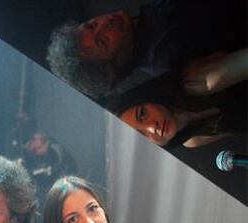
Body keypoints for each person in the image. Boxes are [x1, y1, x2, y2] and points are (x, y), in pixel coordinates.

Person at [47, 0, 247, 99]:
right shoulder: (169, 46)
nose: (105, 22)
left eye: (91, 25)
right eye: (103, 42)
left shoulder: (150, 31)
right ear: (116, 65)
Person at [107, 75, 248, 148]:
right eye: (143, 136)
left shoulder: (192, 79)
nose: (152, 127)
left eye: (142, 114)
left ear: (146, 99)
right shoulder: (193, 140)